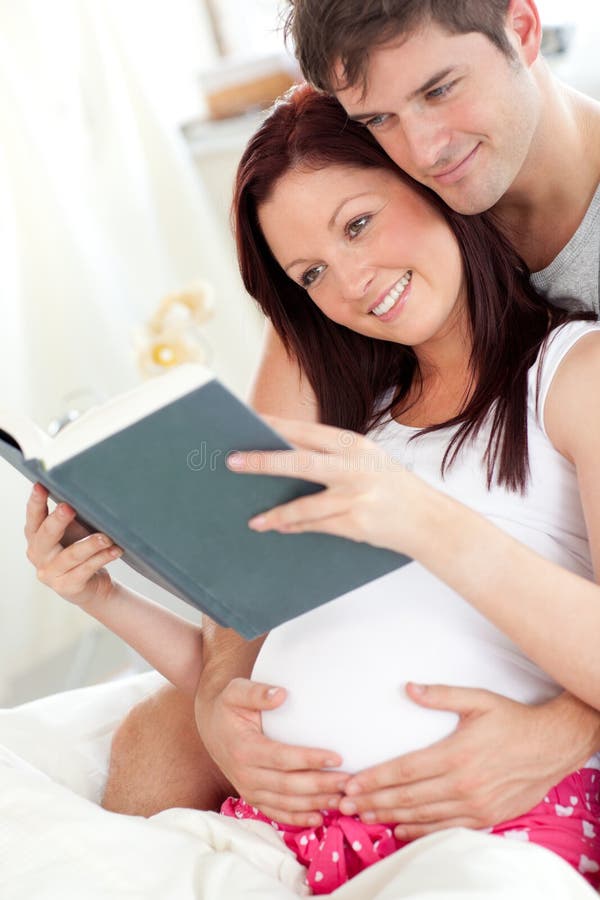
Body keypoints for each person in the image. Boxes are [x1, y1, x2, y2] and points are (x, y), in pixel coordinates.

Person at [25, 84, 600, 893]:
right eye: (313, 272)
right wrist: (102, 597)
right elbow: (255, 666)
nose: (354, 282)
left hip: (481, 836)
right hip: (287, 838)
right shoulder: (352, 420)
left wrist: (417, 516)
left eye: (359, 223)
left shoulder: (572, 376)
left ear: (429, 185)